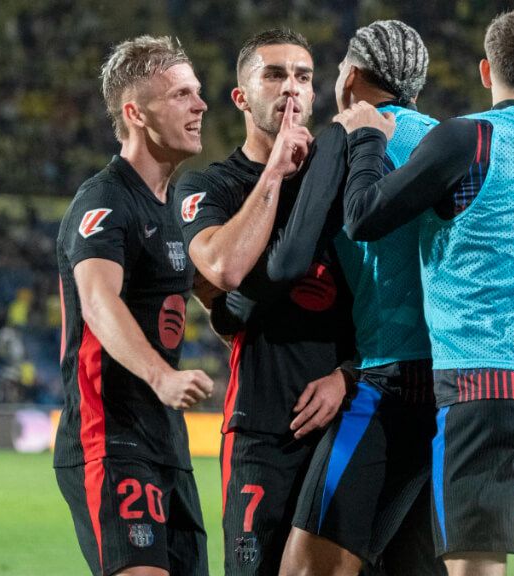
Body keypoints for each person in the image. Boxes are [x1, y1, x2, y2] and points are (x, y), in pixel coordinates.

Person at [340, 10, 514, 575]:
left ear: (487, 70)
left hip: (483, 385)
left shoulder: (469, 137)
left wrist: (365, 139)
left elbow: (363, 217)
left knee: (475, 565)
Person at [174, 29, 354, 576]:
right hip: (261, 426)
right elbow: (223, 267)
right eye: (274, 75)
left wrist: (348, 374)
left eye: (302, 76)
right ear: (241, 96)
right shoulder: (208, 186)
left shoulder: (345, 183)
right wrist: (275, 168)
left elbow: (386, 296)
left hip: (348, 419)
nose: (291, 88)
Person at [278, 20, 446, 576]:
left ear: (348, 78)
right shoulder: (455, 143)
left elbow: (288, 261)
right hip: (456, 393)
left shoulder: (348, 138)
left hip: (387, 386)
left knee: (309, 569)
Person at [54, 35, 213, 576]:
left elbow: (220, 299)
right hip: (109, 435)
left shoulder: (177, 207)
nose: (200, 105)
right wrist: (161, 377)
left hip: (168, 445)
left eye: (197, 92)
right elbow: (98, 301)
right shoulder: (104, 200)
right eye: (181, 94)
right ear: (135, 113)